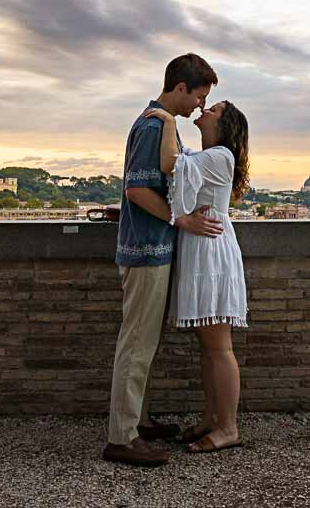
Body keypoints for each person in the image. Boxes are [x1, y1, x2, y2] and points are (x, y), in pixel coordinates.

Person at [102, 54, 223, 468]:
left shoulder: (158, 123)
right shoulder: (154, 125)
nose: (200, 108)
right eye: (199, 97)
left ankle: (136, 421)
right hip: (146, 251)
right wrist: (181, 219)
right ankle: (122, 437)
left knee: (143, 342)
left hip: (151, 248)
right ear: (180, 88)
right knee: (137, 343)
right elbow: (138, 190)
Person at [141, 98, 250, 454]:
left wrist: (168, 119)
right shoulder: (204, 157)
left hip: (212, 252)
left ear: (225, 125)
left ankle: (228, 427)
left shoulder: (221, 156)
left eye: (214, 110)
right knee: (208, 346)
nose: (205, 111)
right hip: (200, 247)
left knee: (219, 346)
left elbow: (169, 163)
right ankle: (211, 419)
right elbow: (180, 168)